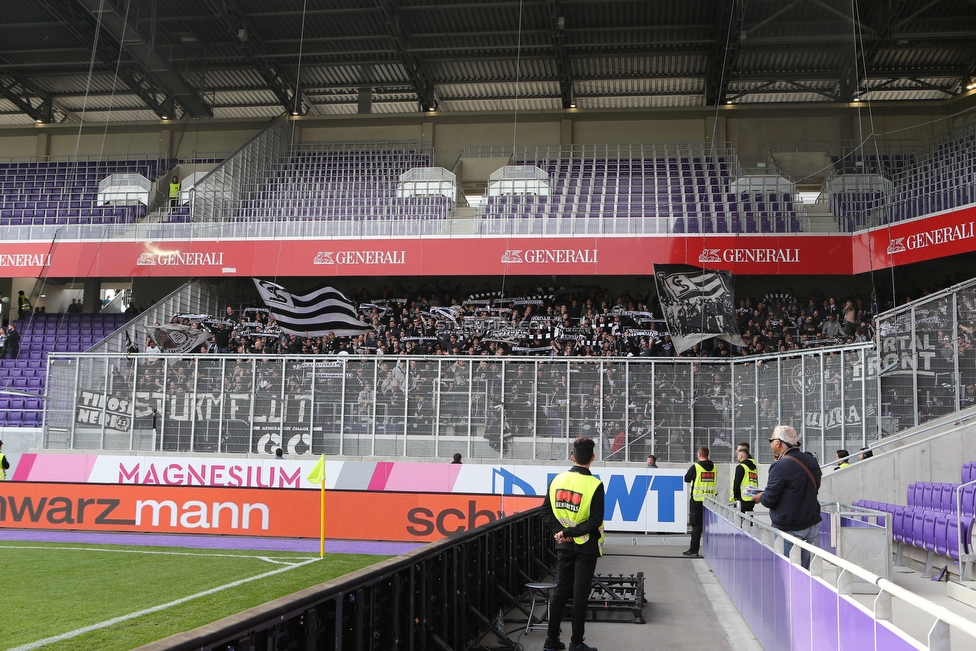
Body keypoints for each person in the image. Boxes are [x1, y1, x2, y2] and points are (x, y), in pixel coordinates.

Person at [544, 436, 604, 651]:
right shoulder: (595, 484)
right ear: (593, 458)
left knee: (561, 591)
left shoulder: (557, 480)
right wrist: (569, 532)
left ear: (572, 457)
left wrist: (560, 532)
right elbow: (595, 520)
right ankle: (576, 643)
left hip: (563, 545)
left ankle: (551, 641)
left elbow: (545, 510)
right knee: (579, 594)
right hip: (586, 546)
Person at [753, 425, 822, 570]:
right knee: (804, 572)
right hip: (811, 524)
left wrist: (761, 496)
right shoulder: (811, 461)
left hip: (789, 527)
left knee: (786, 572)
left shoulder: (780, 466)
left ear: (778, 442)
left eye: (771, 440)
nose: (771, 443)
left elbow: (770, 499)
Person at [683, 446, 716, 556]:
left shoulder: (696, 467)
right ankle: (711, 551)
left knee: (696, 527)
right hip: (710, 501)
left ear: (699, 454)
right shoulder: (714, 467)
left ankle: (693, 550)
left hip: (697, 501)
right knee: (708, 526)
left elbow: (686, 478)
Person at [730, 443, 759, 513]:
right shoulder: (754, 468)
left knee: (738, 521)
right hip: (752, 499)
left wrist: (736, 497)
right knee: (749, 519)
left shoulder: (741, 467)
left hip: (742, 500)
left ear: (740, 456)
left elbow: (736, 483)